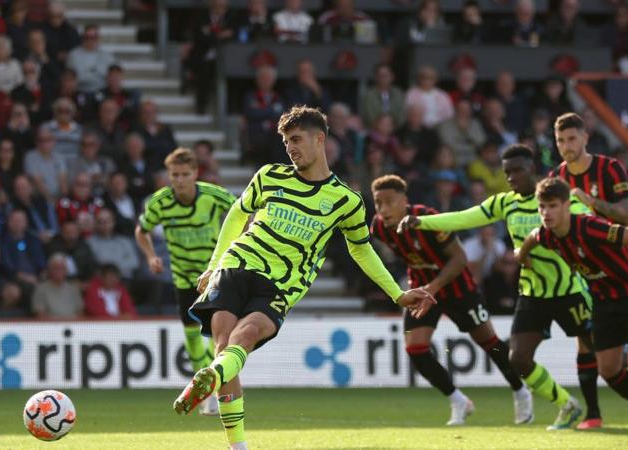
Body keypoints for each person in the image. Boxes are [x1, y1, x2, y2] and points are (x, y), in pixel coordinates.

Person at [172, 106, 435, 450]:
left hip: (281, 283)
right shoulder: (269, 176)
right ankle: (237, 445)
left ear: (319, 139)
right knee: (226, 345)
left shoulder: (346, 200)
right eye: (285, 142)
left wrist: (396, 294)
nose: (290, 148)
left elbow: (361, 249)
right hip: (237, 265)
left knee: (245, 336)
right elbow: (237, 214)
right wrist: (213, 264)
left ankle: (210, 378)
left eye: (296, 140)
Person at [400, 144, 607, 429]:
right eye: (506, 172)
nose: (511, 177)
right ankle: (566, 404)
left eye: (517, 170)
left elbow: (593, 224)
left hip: (570, 289)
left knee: (603, 352)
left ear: (531, 169)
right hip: (532, 292)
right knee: (518, 359)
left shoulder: (557, 199)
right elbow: (465, 217)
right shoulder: (504, 202)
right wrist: (422, 221)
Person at [517, 177, 628, 431]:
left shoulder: (590, 228)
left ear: (566, 206)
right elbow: (531, 239)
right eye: (542, 207)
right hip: (604, 300)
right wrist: (521, 256)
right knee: (609, 369)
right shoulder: (547, 235)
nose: (546, 213)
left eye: (552, 206)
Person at [370, 174, 531, 426]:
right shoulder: (378, 227)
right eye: (378, 203)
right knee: (415, 349)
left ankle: (521, 390)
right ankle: (458, 401)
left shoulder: (428, 218)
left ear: (405, 201)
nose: (383, 209)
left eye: (389, 201)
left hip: (458, 289)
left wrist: (432, 288)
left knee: (490, 343)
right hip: (421, 290)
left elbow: (459, 259)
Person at [136, 147, 236, 415]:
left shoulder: (213, 196)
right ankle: (206, 390)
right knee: (192, 339)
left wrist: (240, 244)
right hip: (183, 279)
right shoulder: (160, 202)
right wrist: (150, 256)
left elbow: (243, 212)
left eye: (184, 174)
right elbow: (141, 230)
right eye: (174, 175)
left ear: (195, 173)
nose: (179, 180)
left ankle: (216, 390)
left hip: (214, 277)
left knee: (219, 337)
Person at [31, 252, 83, 319]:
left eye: (62, 268)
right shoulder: (41, 289)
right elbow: (40, 315)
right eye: (56, 268)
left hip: (72, 327)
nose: (59, 271)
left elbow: (80, 313)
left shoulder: (74, 289)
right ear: (49, 270)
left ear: (66, 270)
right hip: (50, 327)